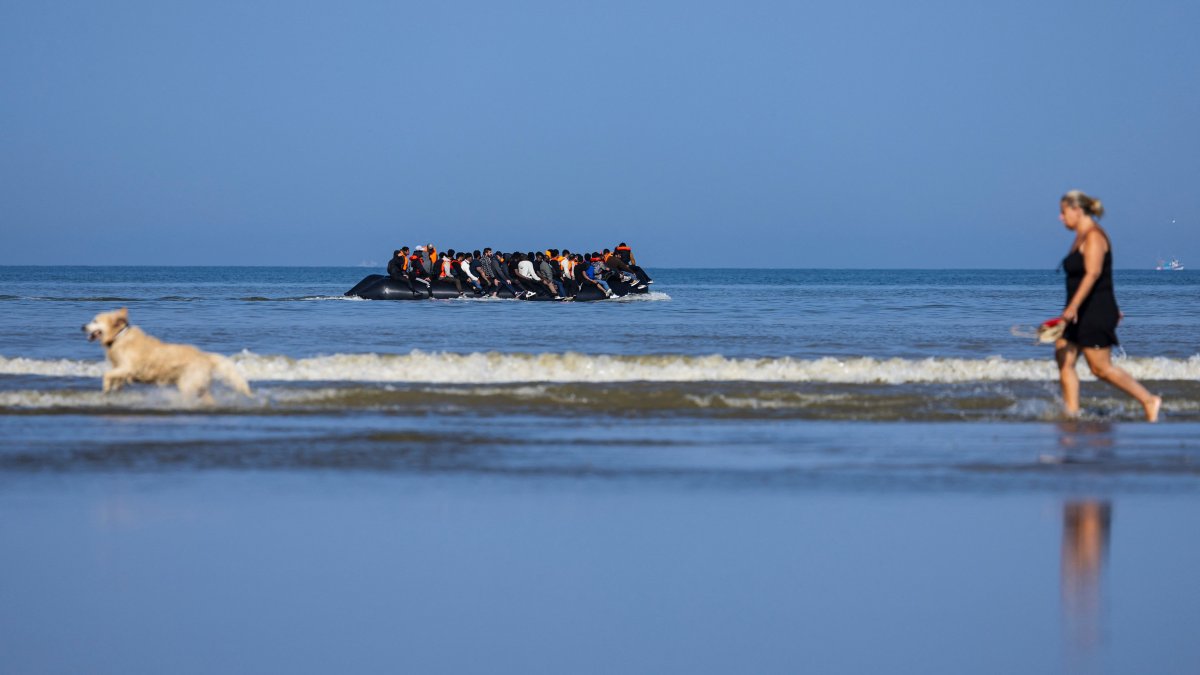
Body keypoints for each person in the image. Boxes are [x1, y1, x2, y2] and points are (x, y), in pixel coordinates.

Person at [1055, 190, 1161, 422]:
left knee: (1099, 368)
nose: (1060, 218)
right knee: (1064, 356)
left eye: (1063, 212)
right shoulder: (1080, 237)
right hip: (1082, 311)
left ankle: (1148, 400)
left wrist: (1072, 308)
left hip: (1092, 312)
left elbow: (1093, 274)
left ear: (1077, 210)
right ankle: (1071, 414)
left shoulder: (1094, 236)